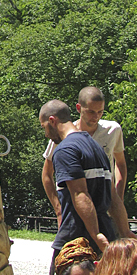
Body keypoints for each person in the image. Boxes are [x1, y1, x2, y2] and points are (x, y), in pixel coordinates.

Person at [39, 99, 121, 275]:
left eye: (43, 127)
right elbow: (112, 196)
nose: (45, 133)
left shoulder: (65, 150)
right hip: (100, 229)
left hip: (75, 234)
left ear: (51, 121)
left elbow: (79, 194)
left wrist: (93, 232)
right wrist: (117, 233)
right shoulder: (97, 148)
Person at [41, 86, 129, 234]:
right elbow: (46, 174)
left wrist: (117, 199)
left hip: (105, 204)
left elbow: (120, 164)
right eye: (91, 112)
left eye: (100, 112)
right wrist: (59, 210)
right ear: (78, 108)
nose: (96, 117)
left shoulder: (113, 130)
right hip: (76, 209)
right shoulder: (62, 134)